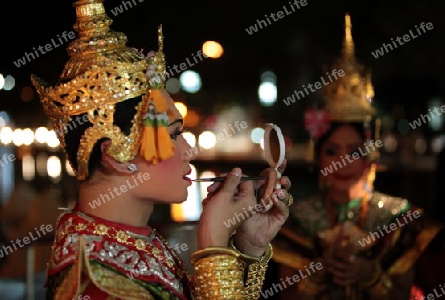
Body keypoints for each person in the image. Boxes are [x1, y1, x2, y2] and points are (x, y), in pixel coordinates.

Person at [30, 0, 293, 299]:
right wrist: (213, 246)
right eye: (174, 134)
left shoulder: (128, 237)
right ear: (116, 155)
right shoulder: (96, 285)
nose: (189, 151)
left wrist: (246, 245)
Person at [268, 14, 443, 300]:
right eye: (332, 151)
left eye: (355, 152)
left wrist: (370, 276)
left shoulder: (398, 218)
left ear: (370, 156)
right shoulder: (295, 220)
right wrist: (315, 277)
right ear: (318, 157)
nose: (343, 161)